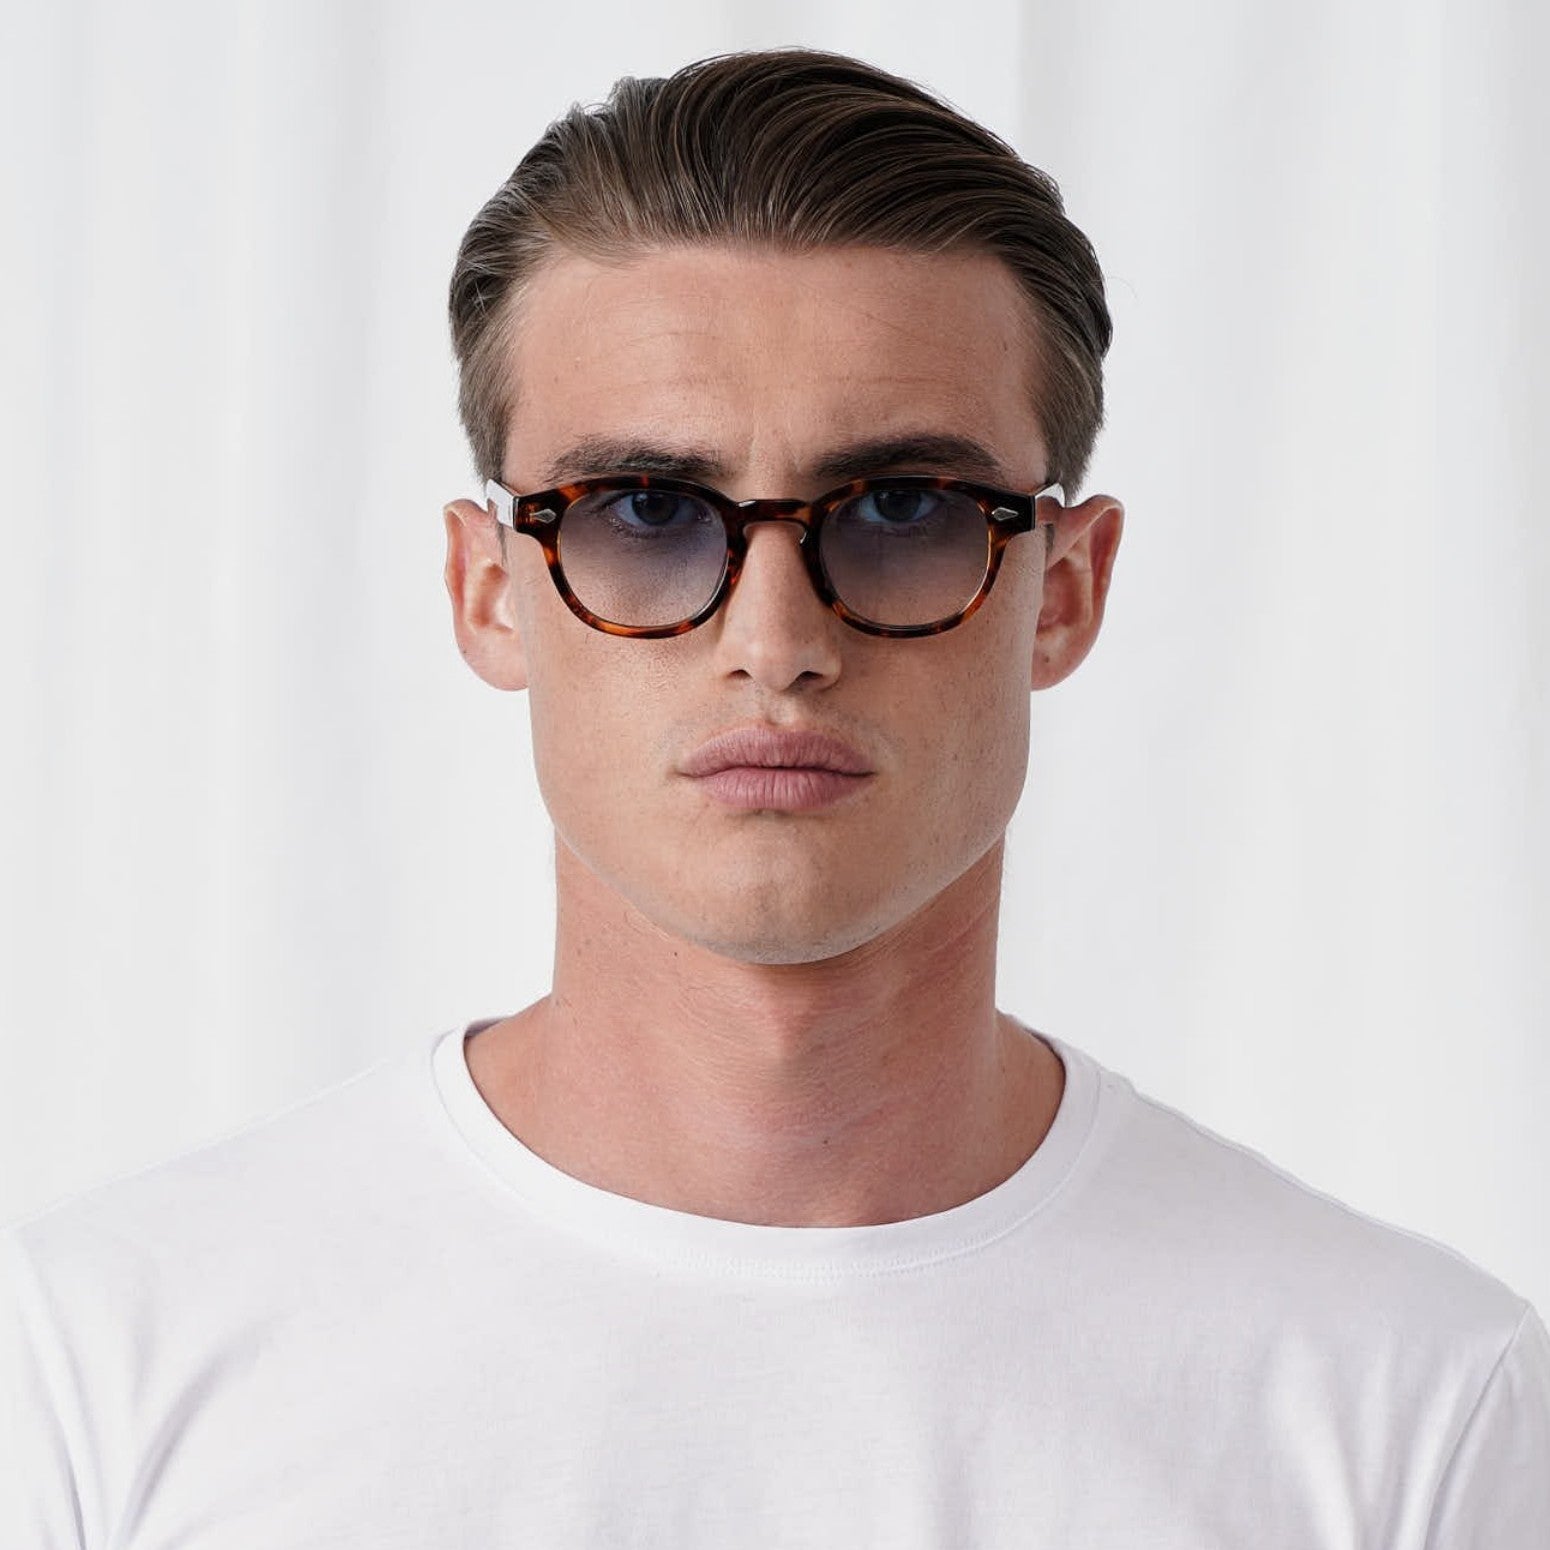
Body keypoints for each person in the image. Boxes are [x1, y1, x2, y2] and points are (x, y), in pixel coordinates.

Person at [3, 45, 1547, 1547]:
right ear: (487, 592)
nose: (775, 640)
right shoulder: (92, 1364)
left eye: (902, 507)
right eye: (645, 508)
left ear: (1066, 592)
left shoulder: (1407, 1405)